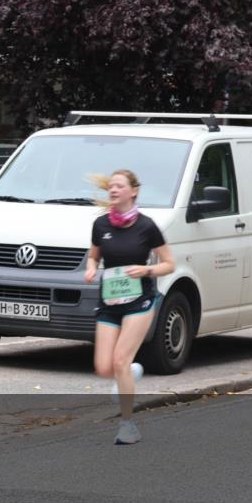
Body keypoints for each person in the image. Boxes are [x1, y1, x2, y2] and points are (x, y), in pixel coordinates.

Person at [84, 170, 175, 445]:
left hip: (140, 301)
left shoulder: (146, 226)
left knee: (120, 360)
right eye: (110, 186)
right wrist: (90, 270)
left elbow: (169, 263)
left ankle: (127, 425)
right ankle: (129, 373)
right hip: (109, 302)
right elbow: (93, 257)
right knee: (102, 367)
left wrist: (147, 269)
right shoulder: (100, 225)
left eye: (119, 186)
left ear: (133, 191)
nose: (113, 190)